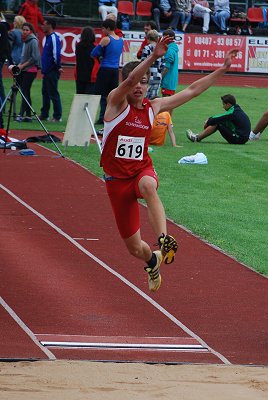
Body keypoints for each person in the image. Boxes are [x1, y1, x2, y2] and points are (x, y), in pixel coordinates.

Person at [100, 35, 238, 291]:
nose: (139, 87)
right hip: (116, 182)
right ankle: (152, 260)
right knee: (134, 248)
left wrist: (222, 69)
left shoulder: (154, 106)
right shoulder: (115, 103)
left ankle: (164, 240)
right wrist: (153, 56)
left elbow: (193, 90)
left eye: (144, 82)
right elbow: (129, 79)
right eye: (135, 83)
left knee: (149, 186)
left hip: (141, 171)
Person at [91, 18, 124, 125]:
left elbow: (94, 53)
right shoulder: (120, 40)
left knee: (99, 94)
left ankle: (101, 117)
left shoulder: (106, 39)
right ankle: (110, 117)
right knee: (111, 95)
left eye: (103, 29)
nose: (102, 31)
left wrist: (101, 54)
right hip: (115, 70)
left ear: (108, 28)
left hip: (105, 69)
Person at [186, 94, 251, 144]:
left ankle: (196, 138)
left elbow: (217, 119)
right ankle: (198, 137)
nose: (223, 106)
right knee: (221, 122)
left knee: (218, 123)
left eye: (223, 104)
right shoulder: (236, 110)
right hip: (242, 138)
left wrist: (208, 121)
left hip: (238, 139)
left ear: (228, 104)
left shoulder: (232, 113)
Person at [15, 22, 41, 122]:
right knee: (26, 92)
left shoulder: (33, 41)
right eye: (24, 29)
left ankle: (21, 114)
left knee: (24, 92)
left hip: (30, 70)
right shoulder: (26, 40)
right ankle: (28, 115)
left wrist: (22, 66)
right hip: (25, 69)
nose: (25, 31)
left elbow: (34, 58)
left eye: (27, 30)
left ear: (31, 31)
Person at [39, 18, 62, 122]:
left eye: (44, 24)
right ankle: (44, 114)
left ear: (50, 25)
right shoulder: (48, 38)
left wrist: (56, 67)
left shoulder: (53, 38)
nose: (42, 26)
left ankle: (57, 116)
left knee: (53, 93)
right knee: (45, 92)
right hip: (47, 71)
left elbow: (56, 55)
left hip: (52, 71)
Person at [141, 29, 165, 100]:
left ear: (148, 38)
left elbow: (143, 62)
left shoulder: (147, 48)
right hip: (157, 76)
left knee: (144, 98)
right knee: (153, 99)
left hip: (148, 75)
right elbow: (163, 64)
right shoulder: (161, 48)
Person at [160, 29, 178, 116]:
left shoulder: (169, 50)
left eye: (164, 37)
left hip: (167, 80)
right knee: (170, 102)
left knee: (166, 102)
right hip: (172, 80)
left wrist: (160, 77)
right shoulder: (174, 49)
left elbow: (167, 67)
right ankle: (169, 122)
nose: (163, 39)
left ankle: (165, 122)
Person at [75, 26, 96, 95]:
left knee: (80, 97)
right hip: (90, 76)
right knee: (88, 99)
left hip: (80, 75)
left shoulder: (78, 46)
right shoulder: (94, 48)